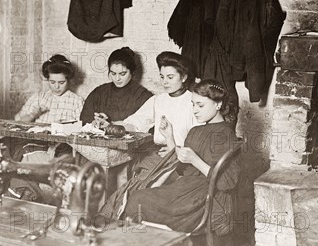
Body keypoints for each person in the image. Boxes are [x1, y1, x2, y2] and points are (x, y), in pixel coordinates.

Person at [122, 79, 240, 232]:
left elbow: (227, 182)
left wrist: (195, 160)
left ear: (218, 105)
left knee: (138, 201)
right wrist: (169, 138)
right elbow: (182, 168)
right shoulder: (195, 131)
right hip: (186, 188)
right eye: (193, 104)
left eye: (200, 105)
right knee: (137, 195)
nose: (195, 110)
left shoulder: (225, 134)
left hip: (203, 197)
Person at [106, 51, 197, 179]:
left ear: (183, 77)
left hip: (183, 160)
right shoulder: (158, 100)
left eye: (170, 77)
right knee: (136, 181)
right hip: (158, 154)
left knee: (146, 186)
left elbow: (200, 138)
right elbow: (138, 121)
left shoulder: (194, 102)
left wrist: (176, 150)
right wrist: (117, 128)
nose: (164, 82)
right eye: (162, 77)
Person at [80, 47, 153, 126]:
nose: (117, 79)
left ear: (132, 72)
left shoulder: (144, 96)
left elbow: (146, 129)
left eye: (122, 74)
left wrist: (111, 124)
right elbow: (83, 122)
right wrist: (95, 122)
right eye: (113, 73)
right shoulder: (99, 93)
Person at [14, 54, 84, 123]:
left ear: (68, 80)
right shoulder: (39, 98)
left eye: (61, 83)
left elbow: (82, 128)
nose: (56, 87)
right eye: (52, 82)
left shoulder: (77, 102)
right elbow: (18, 122)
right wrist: (32, 115)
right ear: (47, 79)